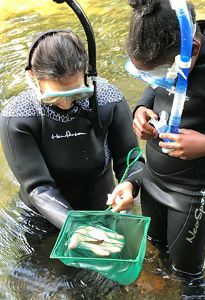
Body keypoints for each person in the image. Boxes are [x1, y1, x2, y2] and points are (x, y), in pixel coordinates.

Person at [0, 30, 144, 240]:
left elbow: (132, 160)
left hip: (102, 205)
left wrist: (130, 184)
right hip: (44, 215)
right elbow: (38, 187)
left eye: (76, 94)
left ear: (86, 74)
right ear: (33, 78)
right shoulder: (18, 117)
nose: (66, 105)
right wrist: (75, 226)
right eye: (54, 97)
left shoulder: (107, 99)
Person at [126, 0, 205, 277]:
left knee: (186, 273)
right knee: (156, 249)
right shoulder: (167, 46)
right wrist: (141, 109)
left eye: (160, 75)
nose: (156, 81)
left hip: (194, 193)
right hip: (153, 179)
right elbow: (154, 87)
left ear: (192, 50)